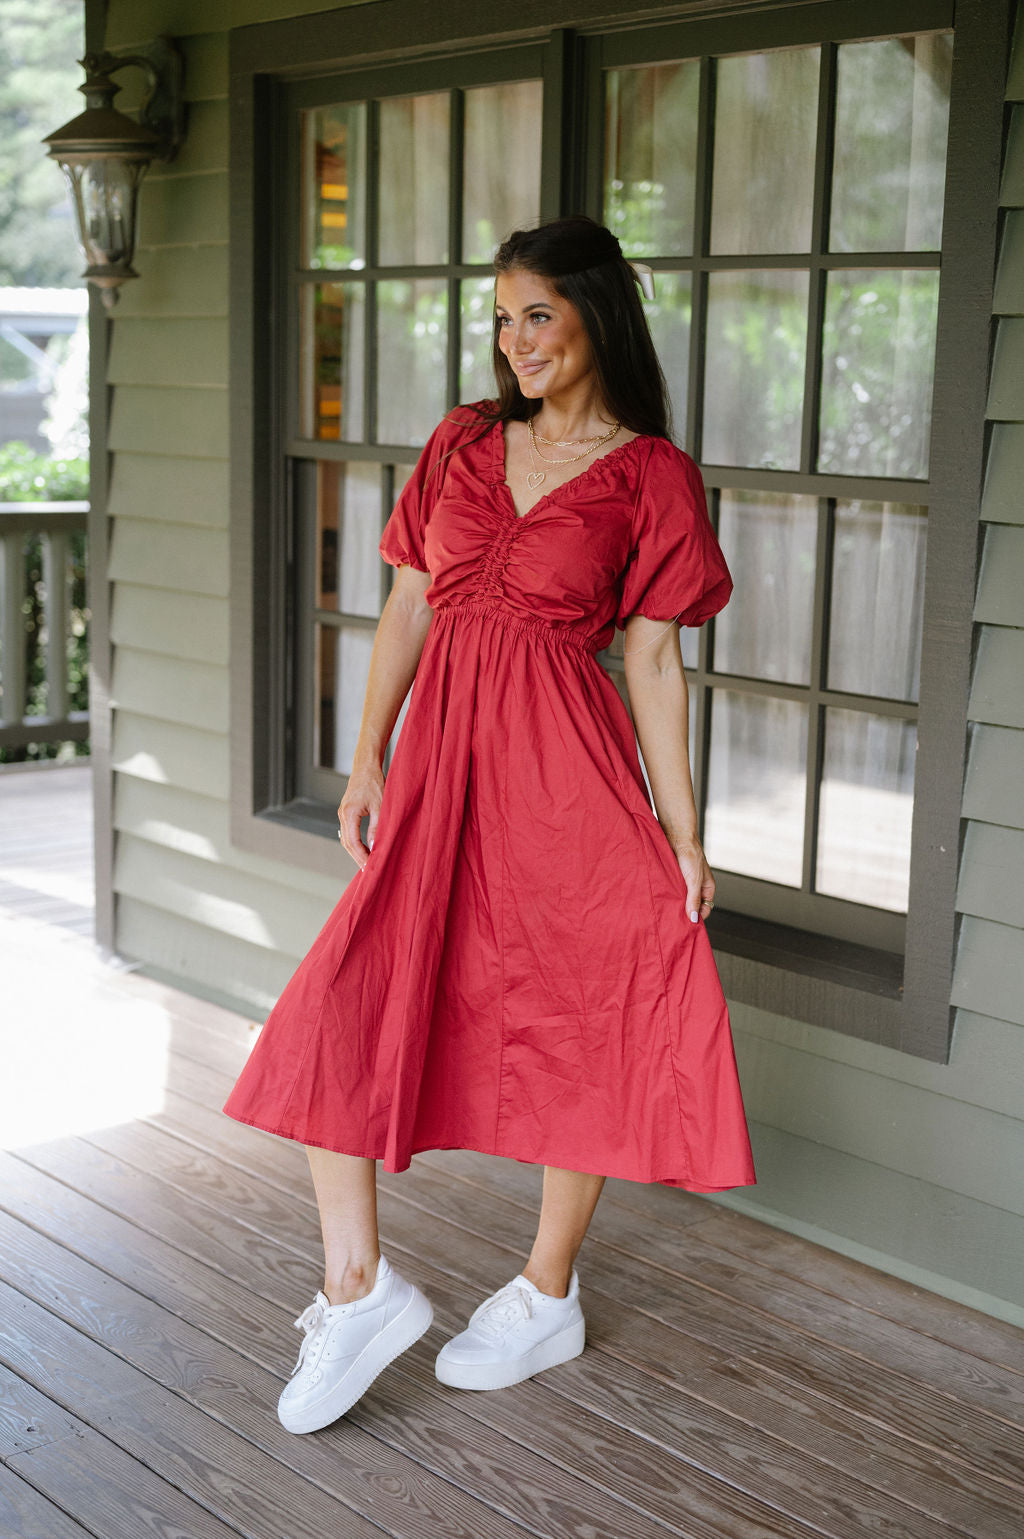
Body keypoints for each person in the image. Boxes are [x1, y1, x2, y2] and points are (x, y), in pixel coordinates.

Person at [222, 213, 756, 1435]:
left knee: (592, 1011)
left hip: (569, 775)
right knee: (338, 1004)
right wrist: (364, 759)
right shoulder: (463, 442)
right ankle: (356, 1289)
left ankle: (545, 1291)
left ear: (596, 318)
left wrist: (682, 831)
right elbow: (407, 607)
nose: (515, 341)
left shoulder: (650, 476)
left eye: (539, 316)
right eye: (503, 317)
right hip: (438, 775)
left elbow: (659, 666)